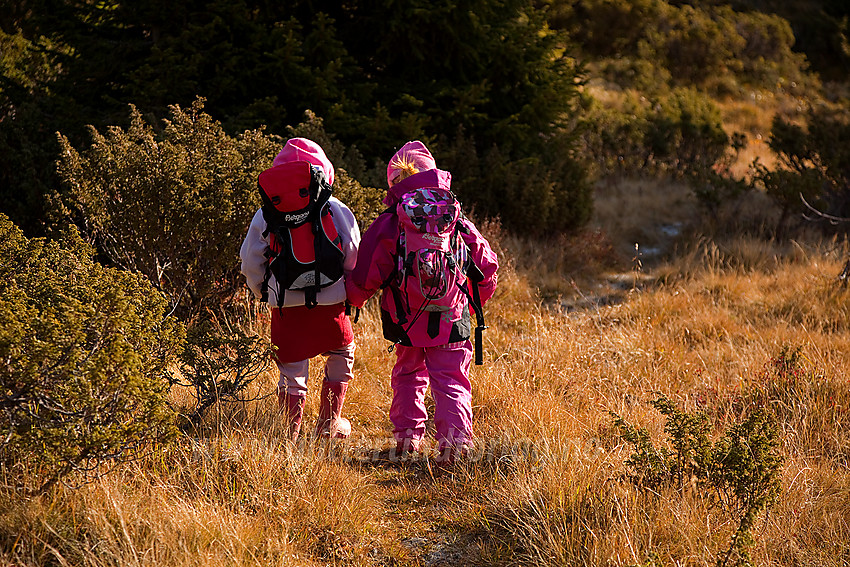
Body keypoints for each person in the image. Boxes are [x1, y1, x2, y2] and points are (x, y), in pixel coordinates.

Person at [345, 141, 498, 462]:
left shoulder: (392, 220)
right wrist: (469, 304)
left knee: (408, 375)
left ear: (392, 182)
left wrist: (353, 299)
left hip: (405, 317)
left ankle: (406, 442)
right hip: (452, 317)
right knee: (452, 380)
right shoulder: (453, 215)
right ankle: (455, 448)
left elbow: (367, 270)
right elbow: (486, 265)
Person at [240, 138, 360, 441]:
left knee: (291, 369)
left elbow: (250, 260)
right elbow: (353, 250)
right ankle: (329, 424)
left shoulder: (267, 212)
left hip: (284, 302)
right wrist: (346, 285)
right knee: (341, 353)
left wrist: (263, 293)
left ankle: (290, 434)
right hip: (332, 297)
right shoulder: (335, 207)